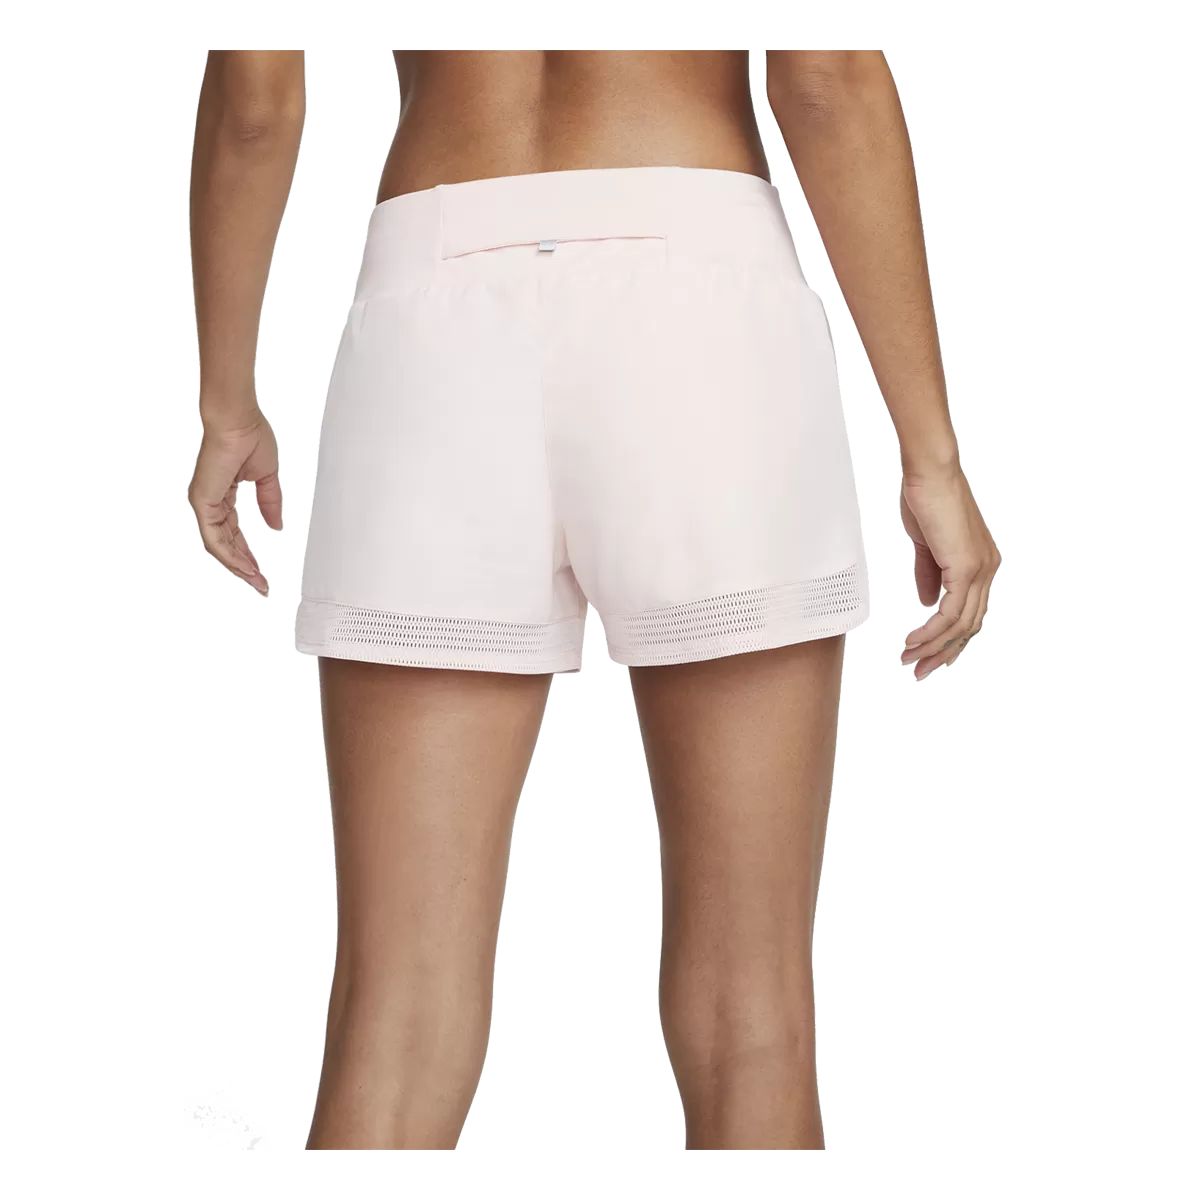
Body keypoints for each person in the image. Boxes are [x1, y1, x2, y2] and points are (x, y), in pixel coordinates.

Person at [188, 49, 1000, 1151]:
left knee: (396, 1026)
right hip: (697, 286)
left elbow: (253, 100)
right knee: (750, 1016)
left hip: (438, 296)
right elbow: (825, 77)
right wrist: (933, 457)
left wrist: (227, 402)